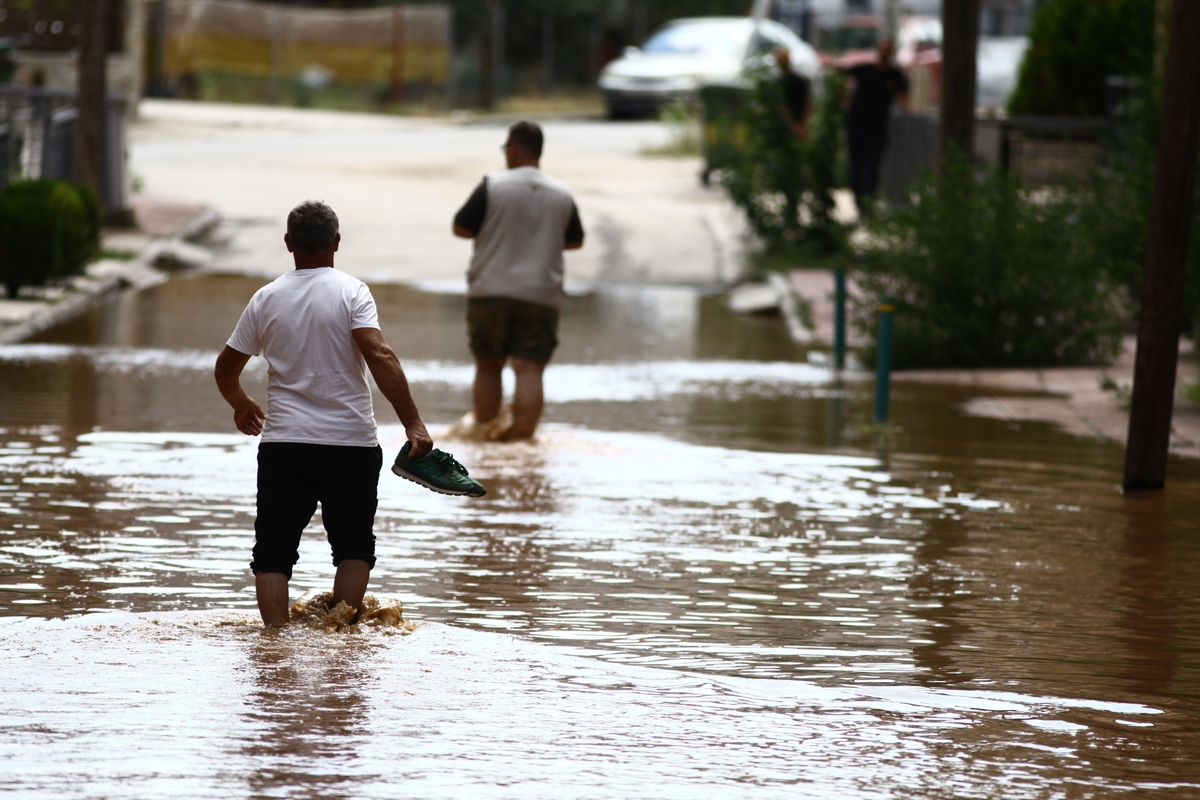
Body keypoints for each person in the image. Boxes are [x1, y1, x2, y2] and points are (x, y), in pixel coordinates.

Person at [214, 200, 480, 628]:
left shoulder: (265, 298)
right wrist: (413, 422)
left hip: (285, 444)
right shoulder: (352, 292)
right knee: (354, 548)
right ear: (336, 242)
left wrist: (241, 404)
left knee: (272, 554)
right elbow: (379, 354)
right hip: (350, 444)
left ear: (288, 244)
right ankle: (342, 646)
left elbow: (226, 367)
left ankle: (274, 649)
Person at [452, 121, 585, 441]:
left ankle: (484, 434)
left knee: (489, 365)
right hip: (540, 294)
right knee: (529, 369)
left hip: (490, 290)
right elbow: (575, 240)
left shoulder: (492, 185)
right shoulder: (562, 193)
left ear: (512, 149)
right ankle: (523, 440)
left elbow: (462, 228)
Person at [843, 38, 909, 215]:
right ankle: (859, 202)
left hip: (877, 127)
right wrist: (845, 100)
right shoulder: (864, 70)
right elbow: (842, 77)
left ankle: (868, 203)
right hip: (857, 124)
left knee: (872, 166)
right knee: (856, 165)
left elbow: (904, 100)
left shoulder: (895, 75)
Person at [774, 46, 812, 141]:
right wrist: (801, 125)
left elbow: (780, 107)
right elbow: (808, 104)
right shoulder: (799, 80)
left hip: (787, 126)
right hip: (799, 123)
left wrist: (794, 125)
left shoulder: (778, 83)